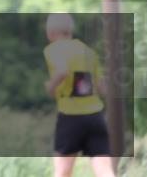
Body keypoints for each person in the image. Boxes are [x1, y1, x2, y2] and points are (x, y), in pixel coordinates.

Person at [44, 13, 116, 177]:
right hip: (95, 117)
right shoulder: (88, 51)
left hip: (70, 117)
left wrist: (50, 87)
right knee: (105, 171)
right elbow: (102, 87)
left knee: (62, 172)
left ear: (51, 33)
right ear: (70, 31)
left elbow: (62, 71)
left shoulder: (54, 49)